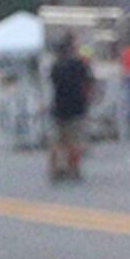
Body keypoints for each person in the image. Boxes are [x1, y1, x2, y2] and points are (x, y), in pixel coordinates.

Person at [45, 39, 96, 184]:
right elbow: (88, 83)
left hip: (58, 108)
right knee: (75, 141)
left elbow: (53, 85)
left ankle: (54, 170)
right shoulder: (79, 65)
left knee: (57, 141)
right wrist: (88, 99)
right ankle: (73, 169)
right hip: (77, 108)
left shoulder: (55, 66)